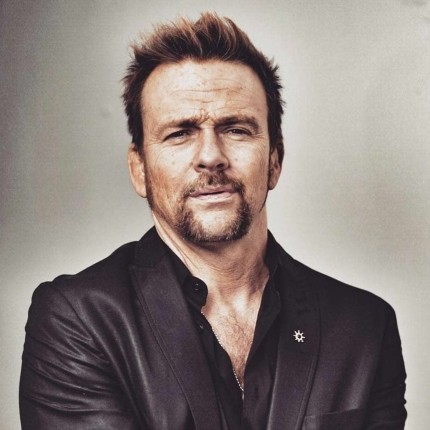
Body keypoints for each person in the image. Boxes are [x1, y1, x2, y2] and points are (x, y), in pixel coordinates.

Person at [19, 13, 407, 430]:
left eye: (236, 129)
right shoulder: (78, 319)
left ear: (274, 161)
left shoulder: (364, 327)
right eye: (180, 133)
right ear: (139, 169)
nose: (211, 156)